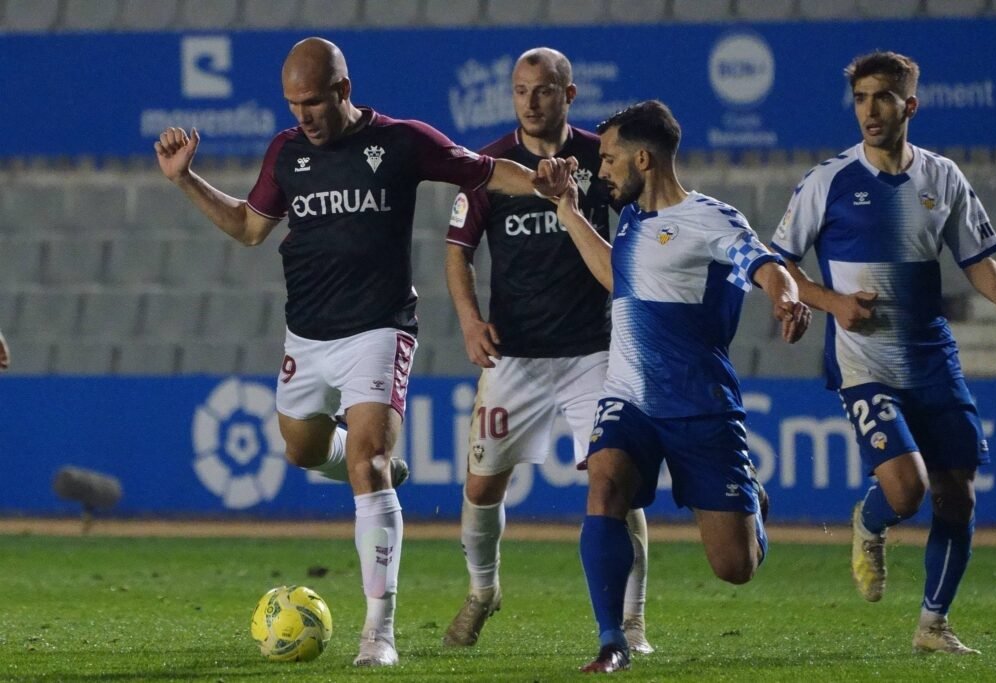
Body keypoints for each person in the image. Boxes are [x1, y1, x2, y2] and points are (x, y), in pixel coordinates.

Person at [154, 37, 573, 668]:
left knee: (369, 459)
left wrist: (543, 186)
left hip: (379, 329)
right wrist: (185, 179)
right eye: (293, 104)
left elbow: (482, 171)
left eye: (314, 102)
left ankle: (378, 632)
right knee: (300, 449)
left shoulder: (401, 141)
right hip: (307, 335)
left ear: (343, 91)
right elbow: (248, 228)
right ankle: (359, 464)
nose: (303, 116)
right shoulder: (286, 152)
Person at [769, 51, 996, 655]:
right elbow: (776, 263)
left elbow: (977, 258)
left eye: (882, 97)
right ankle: (871, 522)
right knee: (906, 491)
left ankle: (933, 627)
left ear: (909, 105)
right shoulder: (828, 180)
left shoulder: (942, 177)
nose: (869, 110)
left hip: (932, 357)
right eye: (860, 98)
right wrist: (827, 302)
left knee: (957, 495)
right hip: (864, 362)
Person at [553, 100, 811, 673]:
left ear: (643, 158)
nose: (603, 171)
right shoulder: (632, 221)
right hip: (629, 398)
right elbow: (618, 279)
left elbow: (763, 262)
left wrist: (785, 295)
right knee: (604, 484)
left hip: (699, 405)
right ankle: (611, 640)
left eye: (611, 159)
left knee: (733, 567)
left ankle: (751, 499)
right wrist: (569, 213)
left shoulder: (710, 219)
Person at [442, 48, 652, 653]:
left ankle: (632, 622)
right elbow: (457, 249)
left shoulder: (598, 158)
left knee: (619, 484)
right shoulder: (488, 165)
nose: (531, 102)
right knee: (482, 488)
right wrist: (470, 320)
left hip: (594, 352)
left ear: (569, 95)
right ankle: (483, 591)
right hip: (516, 355)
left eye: (543, 90)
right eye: (521, 90)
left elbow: (638, 231)